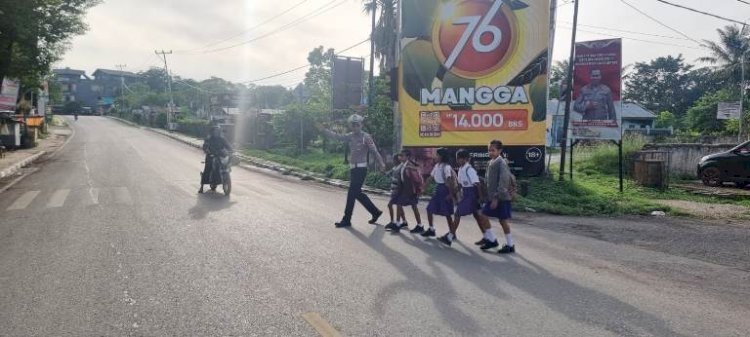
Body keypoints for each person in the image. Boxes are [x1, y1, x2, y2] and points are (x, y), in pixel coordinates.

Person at [318, 114, 386, 228]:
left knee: (351, 194)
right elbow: (337, 136)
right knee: (357, 193)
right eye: (353, 125)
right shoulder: (350, 136)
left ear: (361, 125)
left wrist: (381, 163)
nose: (355, 127)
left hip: (361, 169)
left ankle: (346, 219)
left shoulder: (366, 137)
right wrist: (324, 130)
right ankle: (375, 212)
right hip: (353, 169)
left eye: (357, 125)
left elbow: (374, 151)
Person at [438, 149, 500, 248]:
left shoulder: (469, 169)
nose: (458, 160)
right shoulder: (461, 169)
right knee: (478, 217)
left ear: (466, 159)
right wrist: (452, 194)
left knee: (458, 214)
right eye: (457, 158)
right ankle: (489, 238)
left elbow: (478, 184)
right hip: (467, 195)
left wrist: (480, 198)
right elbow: (460, 185)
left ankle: (449, 237)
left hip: (472, 196)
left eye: (460, 158)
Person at [482, 140, 516, 254]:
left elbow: (503, 182)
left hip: (501, 198)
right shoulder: (490, 162)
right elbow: (488, 181)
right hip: (492, 197)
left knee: (502, 221)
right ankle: (492, 240)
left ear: (500, 151)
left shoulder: (502, 163)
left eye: (493, 150)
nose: (490, 152)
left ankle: (510, 245)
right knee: (484, 216)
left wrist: (496, 198)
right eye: (489, 150)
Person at [414, 148, 456, 238]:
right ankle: (431, 229)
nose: (435, 156)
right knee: (429, 209)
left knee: (447, 213)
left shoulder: (446, 167)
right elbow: (430, 178)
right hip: (438, 189)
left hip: (445, 190)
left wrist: (451, 194)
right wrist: (423, 188)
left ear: (441, 156)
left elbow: (449, 181)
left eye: (437, 155)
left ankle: (452, 233)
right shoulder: (437, 166)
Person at [386, 149, 424, 233]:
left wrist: (419, 191)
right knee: (404, 205)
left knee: (412, 207)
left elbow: (417, 180)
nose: (400, 157)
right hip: (404, 190)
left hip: (411, 191)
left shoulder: (410, 166)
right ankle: (400, 223)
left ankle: (418, 225)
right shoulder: (403, 165)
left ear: (408, 157)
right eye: (400, 155)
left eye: (402, 155)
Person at [199, 126, 232, 194]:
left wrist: (231, 150)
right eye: (215, 131)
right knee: (207, 169)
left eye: (218, 131)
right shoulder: (209, 138)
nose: (216, 132)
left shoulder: (222, 139)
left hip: (220, 155)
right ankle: (201, 187)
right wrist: (207, 150)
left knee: (226, 164)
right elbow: (205, 146)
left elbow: (227, 145)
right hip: (211, 156)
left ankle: (222, 178)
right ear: (213, 132)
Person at [386, 154, 406, 230]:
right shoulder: (395, 167)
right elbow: (388, 174)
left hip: (398, 190)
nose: (393, 161)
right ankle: (404, 221)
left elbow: (402, 179)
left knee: (390, 205)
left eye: (394, 159)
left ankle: (393, 222)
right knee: (399, 207)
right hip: (394, 189)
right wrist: (383, 171)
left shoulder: (401, 167)